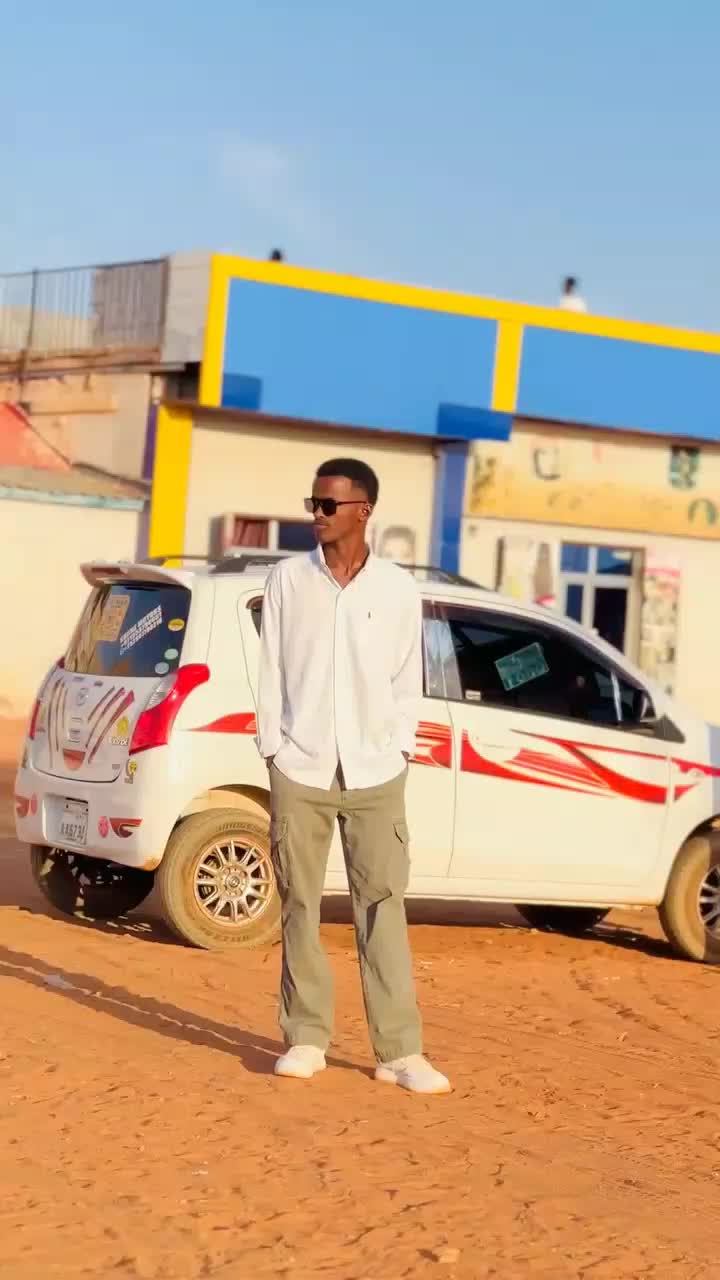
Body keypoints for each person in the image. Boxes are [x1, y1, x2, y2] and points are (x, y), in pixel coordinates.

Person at [256, 457, 451, 1094]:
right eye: (312, 502)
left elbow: (407, 679)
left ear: (363, 510)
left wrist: (399, 749)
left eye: (327, 504)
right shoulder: (288, 580)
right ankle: (306, 1037)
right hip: (301, 765)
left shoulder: (397, 588)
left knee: (382, 905)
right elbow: (270, 670)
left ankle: (399, 1052)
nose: (315, 514)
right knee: (300, 904)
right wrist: (273, 749)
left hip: (375, 769)